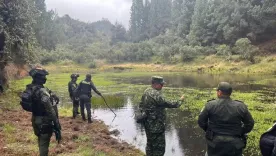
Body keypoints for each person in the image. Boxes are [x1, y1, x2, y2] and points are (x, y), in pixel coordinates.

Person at [198, 82, 254, 156]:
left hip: (214, 144)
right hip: (235, 144)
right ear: (230, 93)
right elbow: (250, 124)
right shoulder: (240, 106)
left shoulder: (210, 105)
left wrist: (209, 130)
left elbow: (201, 121)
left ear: (219, 92)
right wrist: (240, 131)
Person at [138, 76, 184, 156]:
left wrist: (147, 114)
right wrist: (180, 100)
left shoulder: (146, 91)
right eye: (161, 84)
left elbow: (141, 106)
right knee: (159, 148)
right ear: (155, 84)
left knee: (150, 144)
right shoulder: (156, 94)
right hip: (156, 126)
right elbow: (169, 104)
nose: (162, 86)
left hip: (147, 125)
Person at [28, 67, 61, 156]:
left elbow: (46, 92)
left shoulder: (32, 87)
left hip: (35, 119)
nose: (45, 78)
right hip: (44, 121)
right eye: (43, 77)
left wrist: (52, 94)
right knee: (44, 144)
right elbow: (50, 110)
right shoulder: (42, 91)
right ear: (39, 78)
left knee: (40, 139)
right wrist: (57, 124)